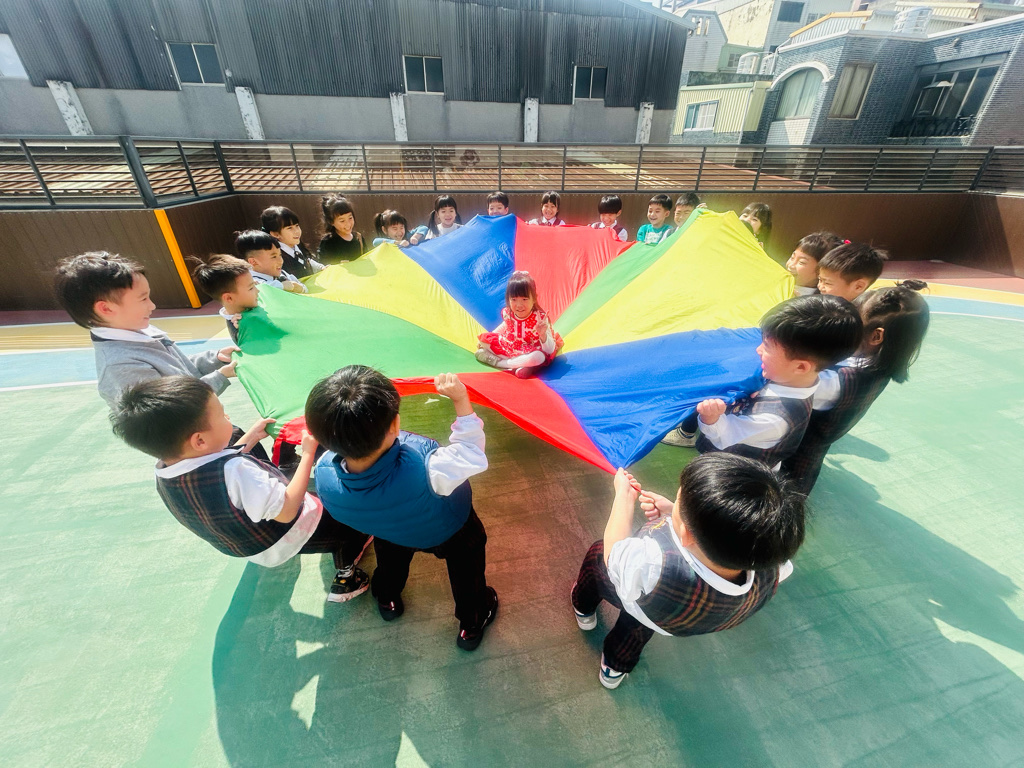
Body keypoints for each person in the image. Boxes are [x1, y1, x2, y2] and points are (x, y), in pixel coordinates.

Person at [111, 376, 372, 602]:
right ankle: (347, 576)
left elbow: (213, 461)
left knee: (238, 439)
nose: (228, 417)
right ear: (199, 440)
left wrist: (250, 439)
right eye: (221, 414)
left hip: (243, 544)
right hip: (281, 536)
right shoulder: (237, 471)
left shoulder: (165, 470)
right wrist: (307, 454)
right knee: (350, 523)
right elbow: (287, 510)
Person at [571, 455, 804, 688]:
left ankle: (583, 609)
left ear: (686, 534)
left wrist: (624, 497)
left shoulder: (652, 562)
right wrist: (673, 514)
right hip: (668, 619)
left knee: (597, 557)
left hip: (644, 593)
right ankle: (614, 669)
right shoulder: (770, 564)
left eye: (679, 502)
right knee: (635, 631)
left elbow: (614, 556)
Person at [308, 368, 498, 650]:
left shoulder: (323, 475)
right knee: (466, 571)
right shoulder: (431, 468)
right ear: (395, 425)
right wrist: (460, 400)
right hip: (450, 529)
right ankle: (472, 623)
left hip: (390, 530)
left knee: (390, 562)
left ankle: (387, 599)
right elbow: (471, 452)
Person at [662, 295, 862, 470]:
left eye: (766, 346)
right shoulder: (789, 377)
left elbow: (723, 435)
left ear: (801, 367)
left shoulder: (774, 419)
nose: (758, 350)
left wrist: (711, 418)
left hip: (733, 474)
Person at [782, 281, 930, 495]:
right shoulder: (876, 368)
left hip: (788, 463)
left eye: (852, 322)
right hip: (807, 458)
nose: (843, 325)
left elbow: (786, 379)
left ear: (876, 336)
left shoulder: (837, 382)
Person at [53, 251, 237, 410]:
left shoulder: (140, 332)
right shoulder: (120, 366)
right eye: (143, 299)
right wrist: (220, 376)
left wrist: (215, 358)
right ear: (106, 308)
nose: (152, 305)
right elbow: (176, 407)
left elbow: (179, 370)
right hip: (193, 436)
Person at [474, 270, 563, 379]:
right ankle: (522, 366)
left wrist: (543, 335)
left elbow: (550, 350)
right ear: (508, 299)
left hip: (530, 350)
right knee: (483, 340)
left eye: (524, 299)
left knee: (539, 357)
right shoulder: (508, 313)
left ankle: (501, 364)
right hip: (510, 346)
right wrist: (488, 338)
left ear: (534, 299)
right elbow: (505, 325)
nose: (519, 305)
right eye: (514, 299)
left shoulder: (539, 319)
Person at [190, 255, 259, 343]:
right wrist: (246, 331)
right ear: (229, 298)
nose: (258, 290)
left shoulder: (250, 305)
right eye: (251, 288)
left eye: (255, 284)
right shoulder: (241, 329)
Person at [260, 206, 325, 278]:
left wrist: (320, 268)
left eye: (297, 226)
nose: (297, 231)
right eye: (289, 228)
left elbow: (306, 261)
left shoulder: (296, 244)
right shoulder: (277, 257)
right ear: (276, 234)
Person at [236, 229, 306, 294]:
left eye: (280, 255)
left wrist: (301, 289)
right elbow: (263, 289)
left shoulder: (282, 274)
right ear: (253, 262)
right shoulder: (250, 281)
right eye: (274, 257)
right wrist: (282, 286)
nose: (281, 261)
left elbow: (302, 287)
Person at [817, 242, 888, 302]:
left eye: (827, 283)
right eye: (820, 280)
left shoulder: (871, 312)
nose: (820, 287)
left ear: (858, 286)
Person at [787, 232, 844, 296]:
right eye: (792, 257)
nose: (791, 265)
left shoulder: (820, 300)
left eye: (802, 262)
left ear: (821, 270)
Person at [317, 195, 365, 264]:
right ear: (331, 222)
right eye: (342, 221)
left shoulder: (359, 238)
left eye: (350, 218)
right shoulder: (327, 243)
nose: (348, 224)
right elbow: (324, 266)